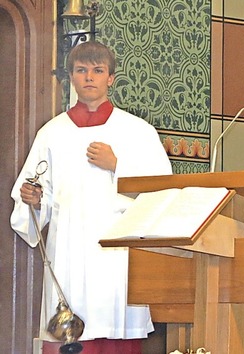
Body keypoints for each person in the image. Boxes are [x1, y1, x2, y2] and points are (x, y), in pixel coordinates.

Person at [10, 41, 173, 354]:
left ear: (111, 78)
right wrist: (34, 200)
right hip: (68, 255)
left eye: (98, 71)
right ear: (71, 76)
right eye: (81, 70)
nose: (89, 77)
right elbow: (31, 199)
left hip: (116, 259)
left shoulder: (137, 131)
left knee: (116, 337)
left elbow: (161, 189)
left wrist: (118, 166)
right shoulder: (51, 133)